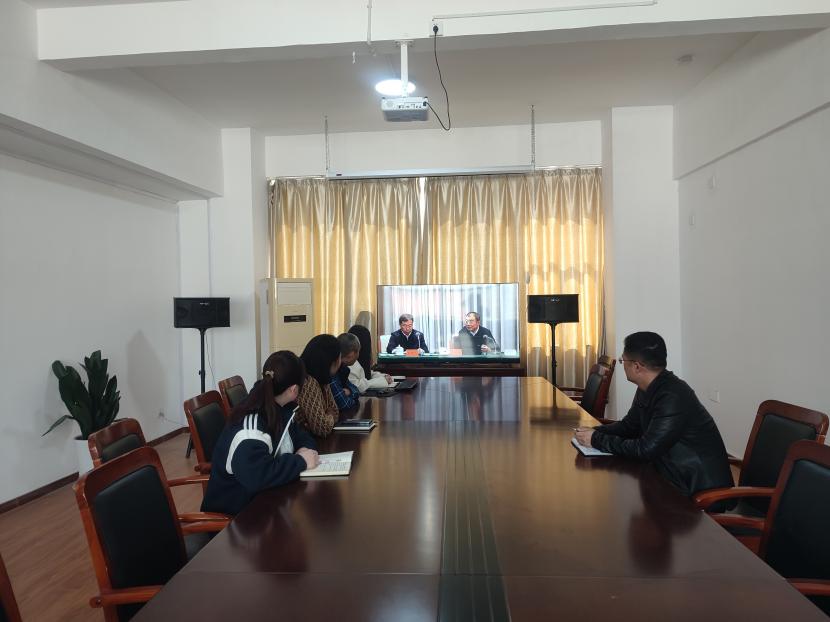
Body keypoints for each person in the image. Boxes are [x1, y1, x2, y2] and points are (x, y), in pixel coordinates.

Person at [574, 331, 733, 498]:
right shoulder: (648, 387)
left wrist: (596, 439)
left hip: (697, 488)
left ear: (637, 366)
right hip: (669, 473)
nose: (622, 365)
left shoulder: (673, 395)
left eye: (623, 361)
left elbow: (646, 449)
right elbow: (629, 426)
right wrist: (594, 431)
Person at [201, 351, 320, 515]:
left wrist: (304, 449)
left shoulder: (281, 408)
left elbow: (301, 435)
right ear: (294, 390)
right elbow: (258, 477)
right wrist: (300, 461)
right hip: (236, 515)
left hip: (264, 500)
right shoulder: (250, 429)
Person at [297, 334, 341, 437]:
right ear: (331, 361)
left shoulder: (322, 379)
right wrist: (329, 415)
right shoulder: (307, 382)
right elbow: (322, 428)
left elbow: (335, 411)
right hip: (303, 442)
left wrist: (327, 416)